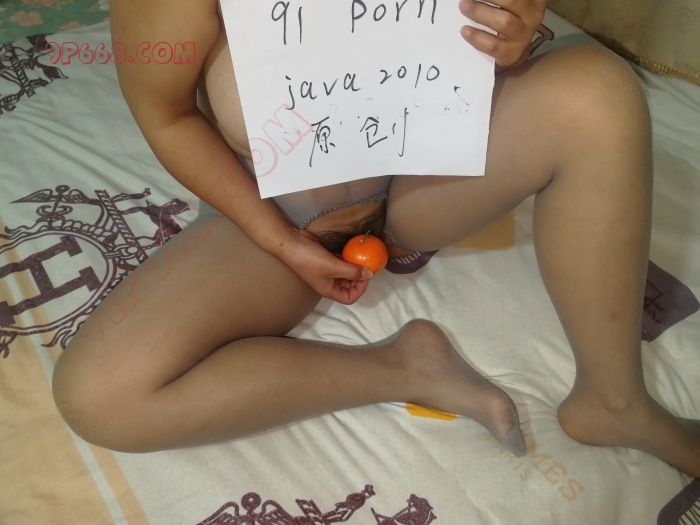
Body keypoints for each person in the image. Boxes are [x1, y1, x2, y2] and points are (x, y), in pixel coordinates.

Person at [51, 0, 700, 477]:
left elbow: (504, 31)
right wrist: (278, 241)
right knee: (104, 398)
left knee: (600, 91)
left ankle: (614, 399)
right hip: (285, 210)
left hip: (436, 172)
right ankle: (405, 367)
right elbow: (165, 115)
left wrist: (516, 32)